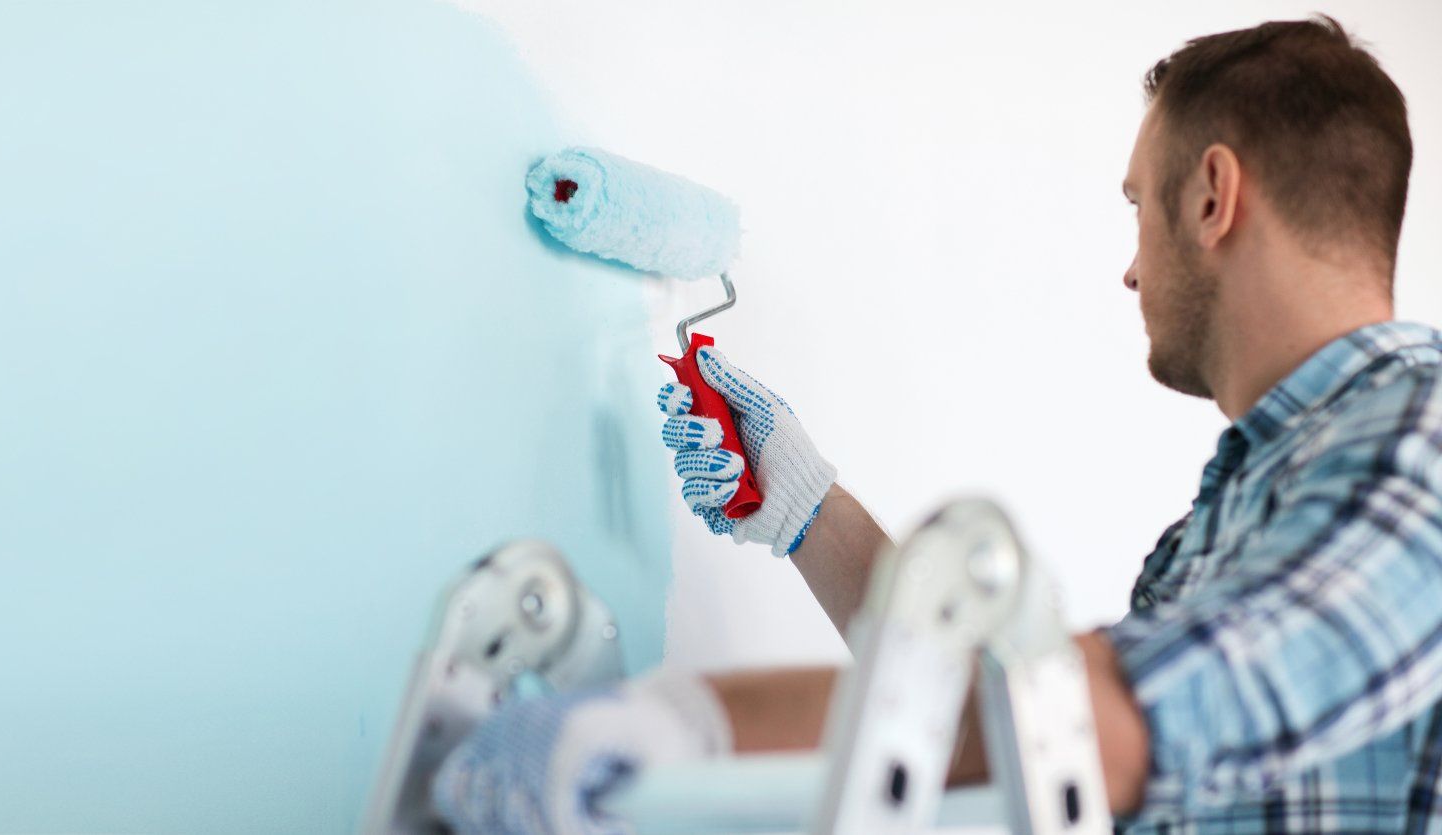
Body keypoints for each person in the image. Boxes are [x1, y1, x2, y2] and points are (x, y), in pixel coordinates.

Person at [433, 15, 1436, 834]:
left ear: (1213, 197)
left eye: (1138, 208)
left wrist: (673, 726)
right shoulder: (1255, 503)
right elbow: (1014, 723)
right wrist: (802, 502)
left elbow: (1085, 723)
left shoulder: (1423, 438)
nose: (1131, 269)